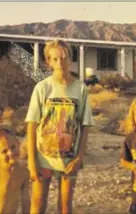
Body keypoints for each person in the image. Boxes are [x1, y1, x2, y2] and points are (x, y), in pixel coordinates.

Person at [25, 39, 95, 214]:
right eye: (55, 59)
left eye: (63, 58)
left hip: (68, 158)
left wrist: (79, 157)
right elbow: (32, 125)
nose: (60, 63)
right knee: (38, 203)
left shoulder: (80, 89)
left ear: (70, 58)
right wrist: (31, 161)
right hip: (43, 157)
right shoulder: (42, 87)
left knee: (65, 206)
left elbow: (85, 125)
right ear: (48, 61)